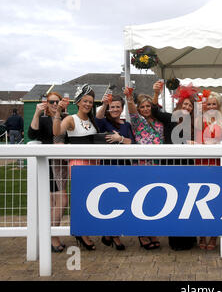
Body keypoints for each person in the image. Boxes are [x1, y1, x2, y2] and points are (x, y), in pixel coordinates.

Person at [151, 81, 199, 251]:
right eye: (185, 103)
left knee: (188, 201)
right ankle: (176, 240)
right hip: (171, 165)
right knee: (173, 201)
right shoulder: (170, 117)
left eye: (190, 105)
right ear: (179, 104)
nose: (187, 107)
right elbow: (155, 110)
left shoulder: (194, 124)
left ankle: (190, 237)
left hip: (187, 166)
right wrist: (156, 92)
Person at [53, 84, 99, 251]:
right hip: (79, 164)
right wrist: (58, 111)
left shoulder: (92, 120)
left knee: (90, 199)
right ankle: (81, 232)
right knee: (81, 200)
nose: (88, 104)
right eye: (85, 101)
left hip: (93, 164)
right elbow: (57, 131)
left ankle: (84, 230)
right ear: (78, 102)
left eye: (90, 102)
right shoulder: (71, 119)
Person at [28, 92, 69, 253]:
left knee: (54, 202)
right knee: (61, 200)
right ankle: (52, 237)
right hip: (50, 164)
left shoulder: (67, 118)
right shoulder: (44, 119)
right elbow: (32, 134)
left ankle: (50, 235)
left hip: (62, 164)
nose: (54, 104)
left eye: (57, 101)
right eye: (51, 102)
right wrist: (37, 113)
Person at [124, 87, 164, 250]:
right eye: (143, 107)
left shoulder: (159, 121)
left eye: (148, 106)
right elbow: (132, 111)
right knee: (141, 199)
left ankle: (152, 231)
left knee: (154, 198)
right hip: (141, 165)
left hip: (157, 164)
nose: (146, 109)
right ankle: (142, 233)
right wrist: (129, 99)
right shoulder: (138, 121)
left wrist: (155, 94)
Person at [95, 93, 136, 250]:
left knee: (121, 201)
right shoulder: (104, 122)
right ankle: (114, 236)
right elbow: (98, 119)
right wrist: (104, 104)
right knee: (110, 200)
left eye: (118, 106)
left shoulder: (126, 125)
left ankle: (110, 234)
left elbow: (132, 143)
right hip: (108, 165)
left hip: (124, 166)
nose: (115, 109)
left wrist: (120, 139)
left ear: (122, 108)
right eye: (112, 107)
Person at [197, 91, 222, 251]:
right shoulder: (201, 118)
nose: (212, 106)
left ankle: (214, 236)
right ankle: (202, 235)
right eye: (209, 104)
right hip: (202, 160)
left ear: (218, 105)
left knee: (216, 199)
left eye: (214, 104)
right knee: (201, 197)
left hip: (218, 160)